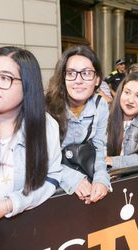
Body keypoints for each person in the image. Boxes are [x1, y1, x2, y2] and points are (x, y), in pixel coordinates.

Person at [0, 46, 62, 221]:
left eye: (4, 78)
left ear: (28, 84)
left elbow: (52, 176)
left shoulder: (46, 125)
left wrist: (10, 203)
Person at [46, 45, 110, 204]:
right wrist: (72, 178)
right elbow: (40, 158)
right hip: (52, 184)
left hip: (85, 178)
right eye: (71, 73)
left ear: (97, 80)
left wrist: (101, 177)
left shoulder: (100, 105)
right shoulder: (46, 106)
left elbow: (98, 146)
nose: (78, 80)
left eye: (87, 73)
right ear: (63, 77)